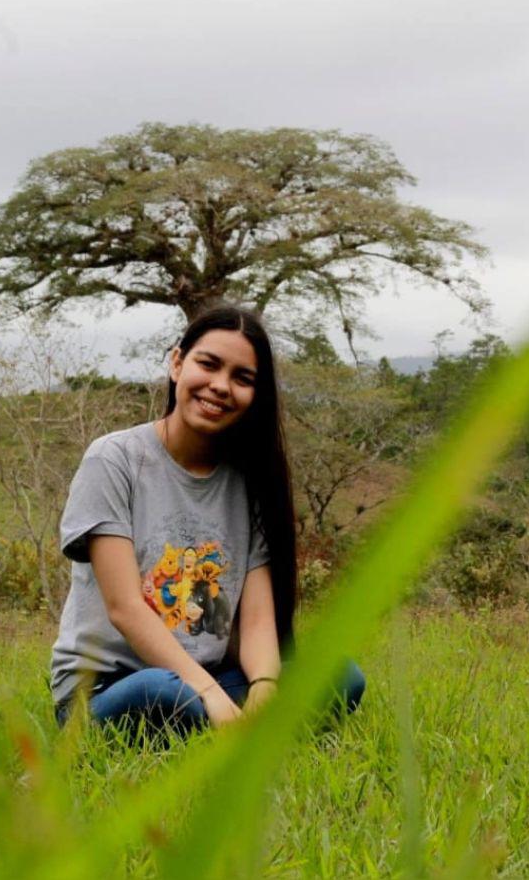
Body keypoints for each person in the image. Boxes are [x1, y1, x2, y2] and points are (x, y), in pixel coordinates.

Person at [50, 305, 366, 733]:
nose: (220, 386)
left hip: (209, 681)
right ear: (178, 363)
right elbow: (125, 608)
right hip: (113, 689)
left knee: (340, 674)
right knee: (160, 693)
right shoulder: (115, 459)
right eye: (209, 364)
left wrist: (264, 687)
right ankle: (237, 734)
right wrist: (209, 694)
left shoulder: (249, 483)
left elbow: (255, 619)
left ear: (256, 395)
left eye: (242, 378)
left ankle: (232, 732)